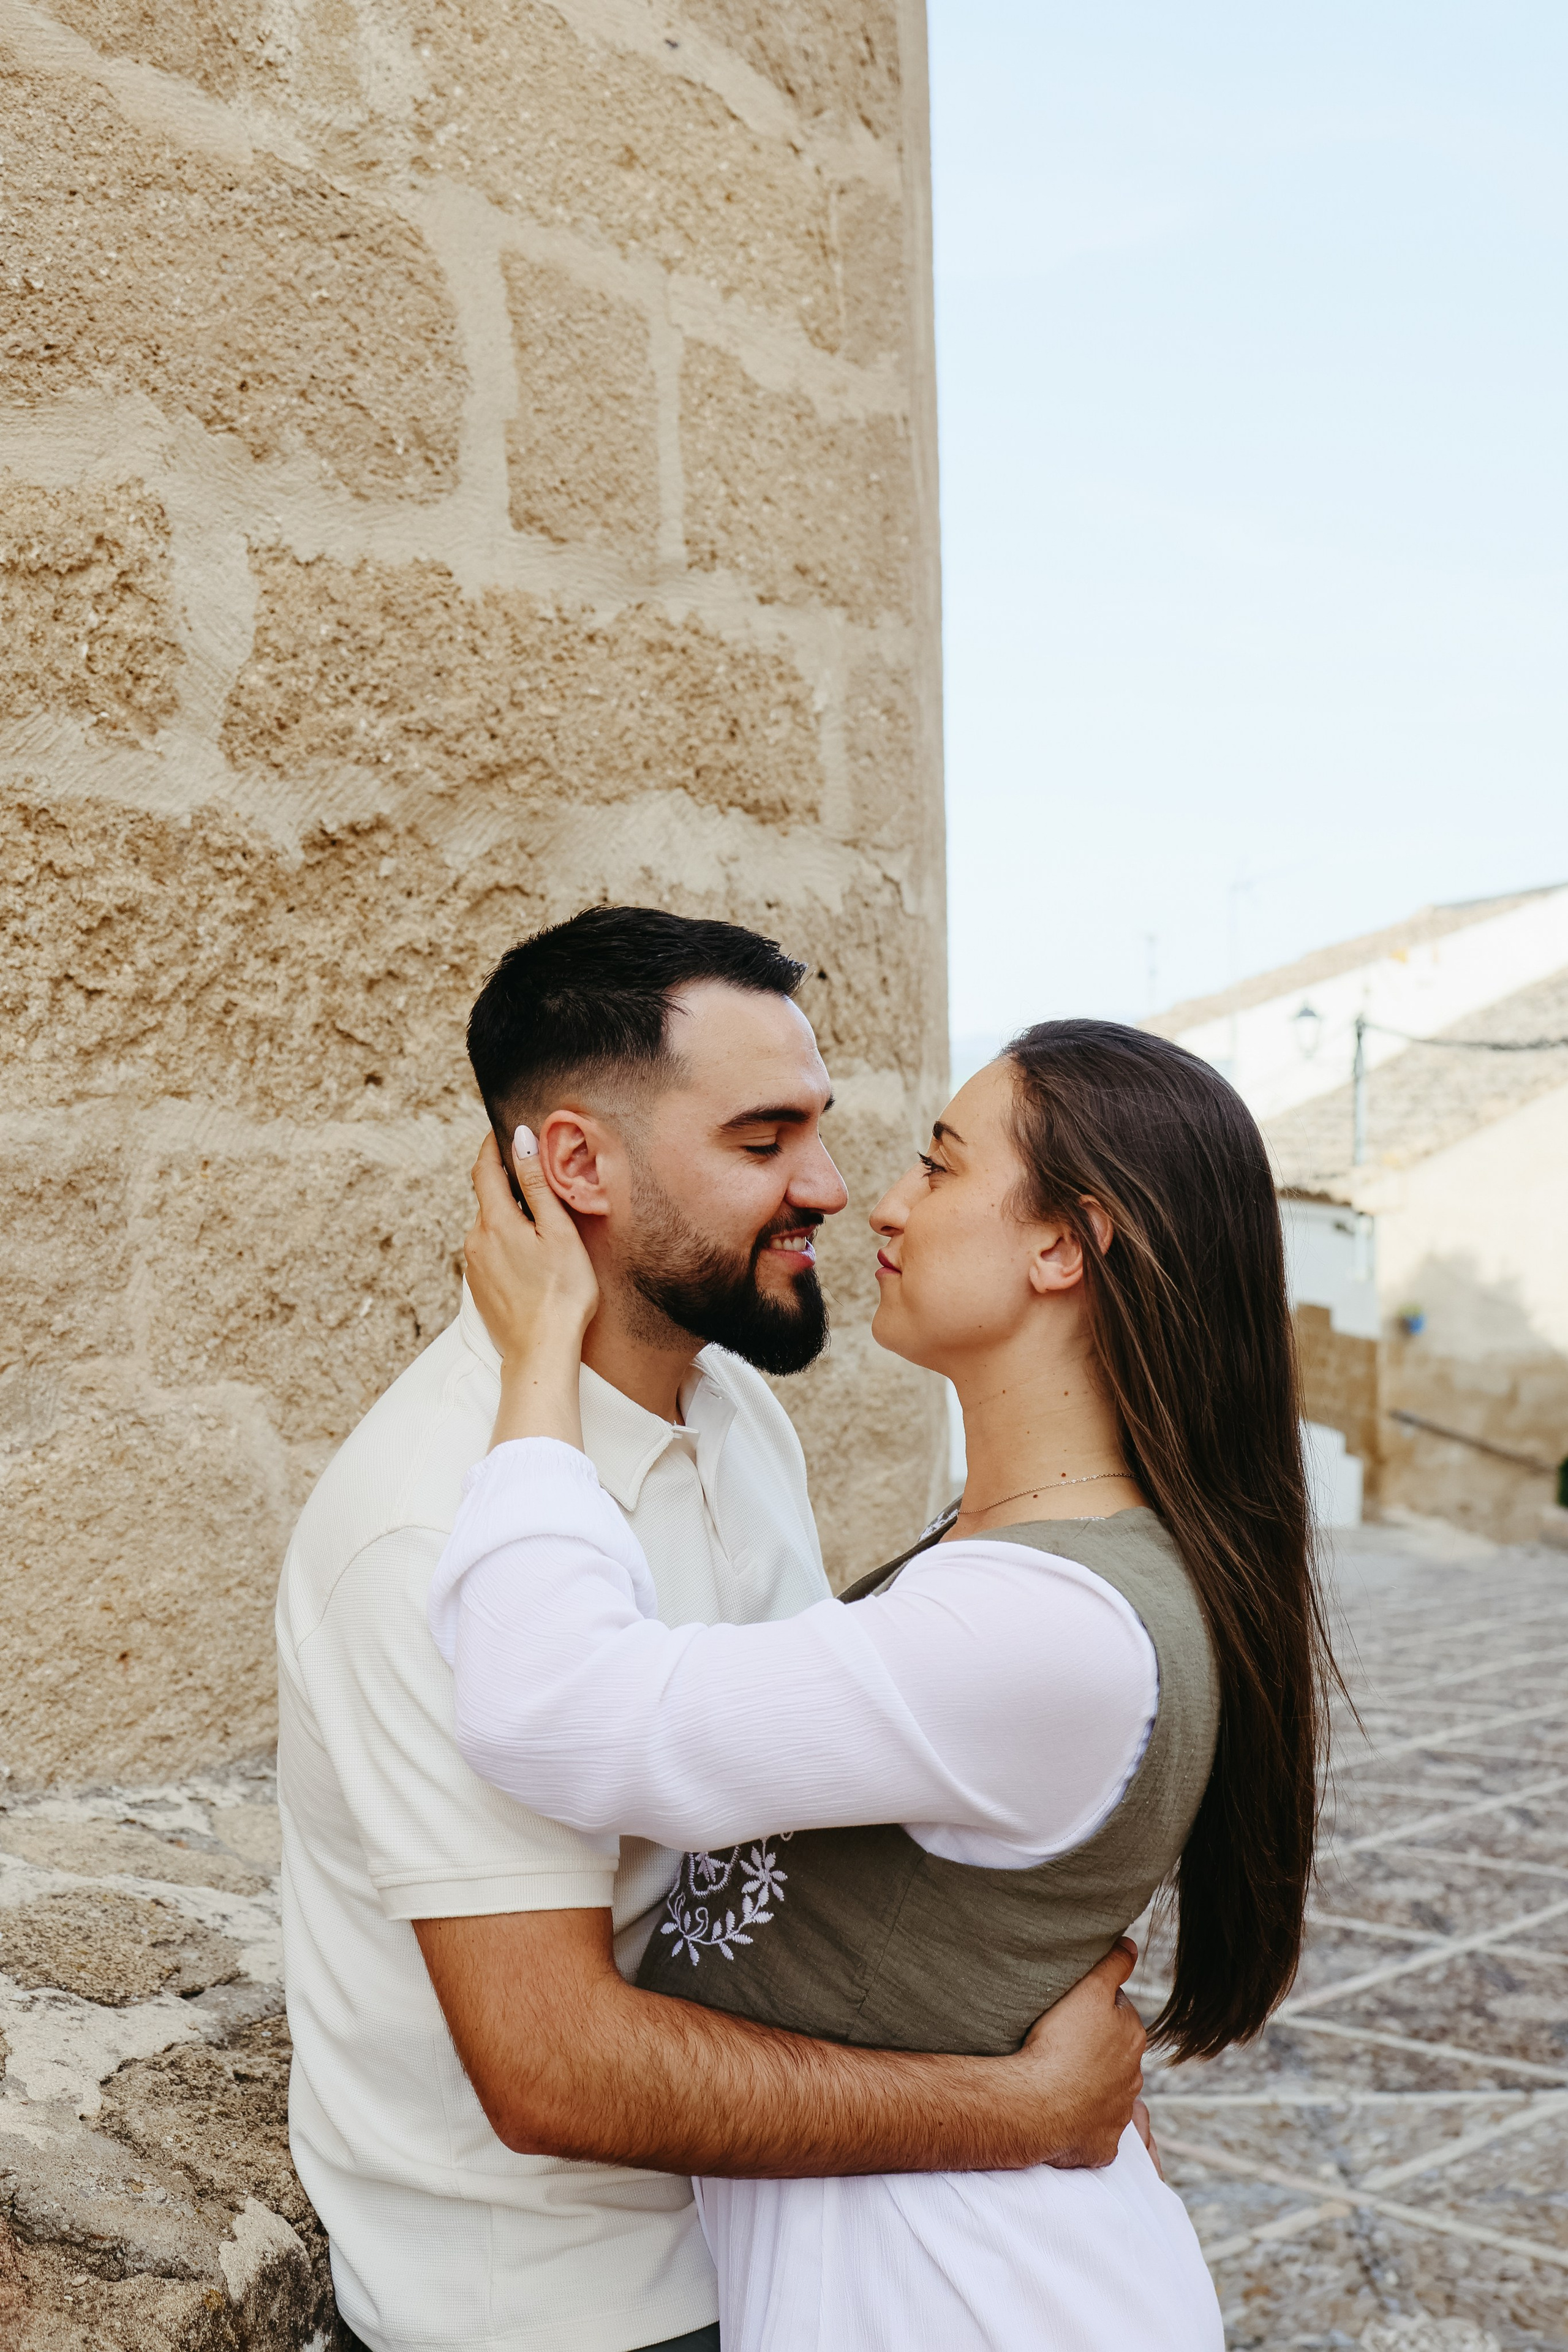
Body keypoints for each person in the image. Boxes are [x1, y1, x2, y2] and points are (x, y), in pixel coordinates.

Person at [277, 910, 1148, 2352]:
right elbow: (552, 2070)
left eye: (819, 1128)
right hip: (575, 2308)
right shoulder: (424, 1530)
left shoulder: (735, 1405)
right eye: (762, 1142)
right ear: (575, 1167)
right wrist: (1018, 2112)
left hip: (781, 2234)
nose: (826, 1186)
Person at [430, 1016, 1336, 2351]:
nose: (879, 1202)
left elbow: (549, 1708)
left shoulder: (1048, 1623)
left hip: (966, 2291)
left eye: (938, 1164)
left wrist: (534, 1365)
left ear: (1060, 1244)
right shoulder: (1036, 1557)